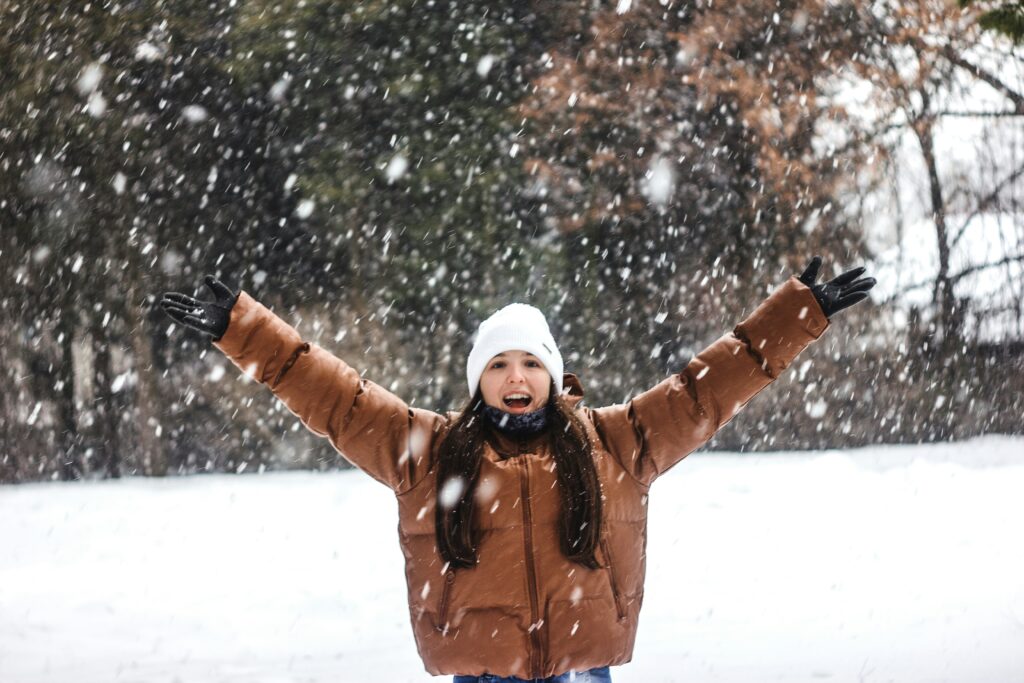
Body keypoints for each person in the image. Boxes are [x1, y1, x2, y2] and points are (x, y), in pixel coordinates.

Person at [159, 256, 874, 682]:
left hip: (581, 667)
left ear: (554, 373)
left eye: (530, 360)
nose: (516, 375)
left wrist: (796, 314)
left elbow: (706, 390)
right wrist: (242, 330)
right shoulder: (430, 453)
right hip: (480, 671)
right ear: (478, 380)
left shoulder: (617, 442)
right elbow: (337, 398)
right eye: (498, 364)